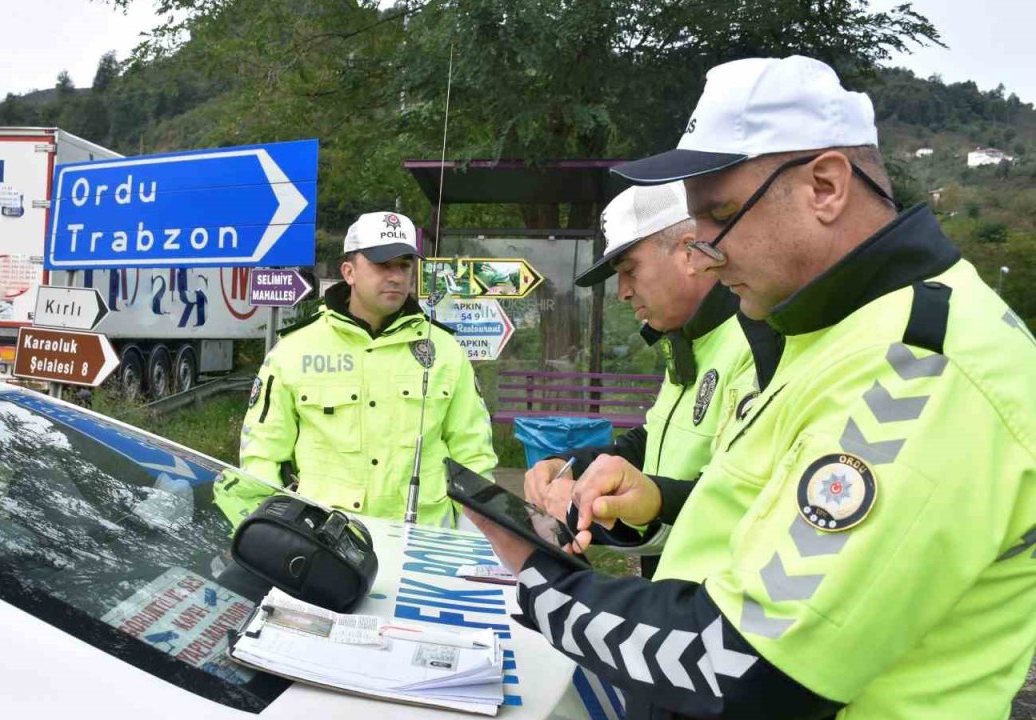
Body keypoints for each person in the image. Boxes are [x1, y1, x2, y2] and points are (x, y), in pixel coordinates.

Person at [468, 56, 1036, 719]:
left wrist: (541, 584)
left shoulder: (922, 367)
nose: (702, 250)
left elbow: (748, 662)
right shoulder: (825, 332)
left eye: (719, 216)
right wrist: (651, 502)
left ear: (825, 186)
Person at [523, 182, 781, 579]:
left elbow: (748, 495)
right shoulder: (685, 341)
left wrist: (655, 499)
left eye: (630, 270)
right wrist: (570, 467)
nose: (623, 292)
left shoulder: (760, 341)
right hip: (672, 591)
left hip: (721, 602)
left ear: (689, 251)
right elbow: (652, 439)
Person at [233, 211, 497, 528]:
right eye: (382, 264)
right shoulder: (293, 350)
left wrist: (476, 541)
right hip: (326, 543)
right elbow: (261, 455)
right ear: (349, 272)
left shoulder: (445, 350)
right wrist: (268, 535)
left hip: (425, 543)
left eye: (404, 265)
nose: (396, 276)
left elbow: (474, 456)